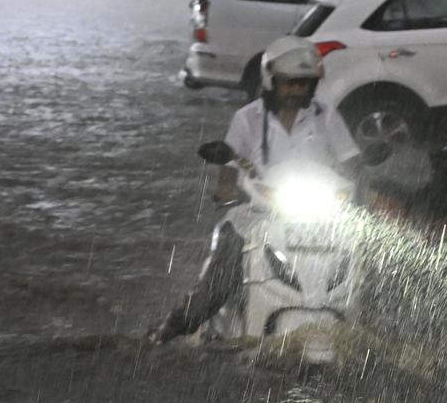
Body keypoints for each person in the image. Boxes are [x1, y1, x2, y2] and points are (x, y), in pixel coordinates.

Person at [149, 37, 360, 344]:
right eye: (289, 84)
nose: (296, 91)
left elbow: (351, 163)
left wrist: (363, 181)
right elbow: (229, 174)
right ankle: (176, 325)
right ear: (271, 80)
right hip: (259, 213)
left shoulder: (326, 116)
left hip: (321, 215)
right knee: (228, 261)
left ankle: (374, 326)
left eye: (304, 84)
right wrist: (226, 192)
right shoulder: (246, 118)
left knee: (367, 258)